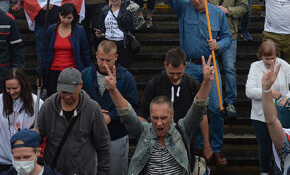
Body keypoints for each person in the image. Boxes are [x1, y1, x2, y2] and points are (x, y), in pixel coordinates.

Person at [161, 0, 232, 167]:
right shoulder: (183, 8)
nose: (196, 1)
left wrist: (219, 45)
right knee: (192, 109)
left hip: (210, 65)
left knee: (216, 108)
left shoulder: (217, 14)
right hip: (190, 66)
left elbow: (228, 37)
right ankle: (198, 146)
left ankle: (216, 148)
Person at [106, 55, 215, 174]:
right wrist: (113, 90)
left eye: (163, 118)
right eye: (154, 118)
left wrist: (206, 82)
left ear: (172, 115)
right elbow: (126, 113)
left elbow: (198, 108)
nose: (158, 123)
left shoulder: (182, 130)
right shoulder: (144, 131)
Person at [180, 0, 248, 119]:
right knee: (211, 70)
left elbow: (244, 6)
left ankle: (230, 101)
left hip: (228, 34)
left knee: (230, 69)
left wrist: (228, 10)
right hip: (207, 36)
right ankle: (204, 100)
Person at [139, 47, 213, 162]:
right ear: (165, 65)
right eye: (171, 73)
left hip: (185, 143)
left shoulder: (192, 84)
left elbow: (202, 115)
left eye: (179, 73)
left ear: (185, 65)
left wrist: (206, 144)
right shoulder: (154, 84)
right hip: (157, 143)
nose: (175, 77)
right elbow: (142, 115)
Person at [37, 67, 111, 175]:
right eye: (63, 91)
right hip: (53, 171)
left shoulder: (92, 109)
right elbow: (36, 137)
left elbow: (103, 146)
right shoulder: (48, 106)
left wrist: (102, 172)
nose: (67, 96)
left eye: (71, 92)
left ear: (80, 85)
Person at [245, 41, 290, 175]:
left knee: (284, 148)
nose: (270, 61)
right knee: (264, 149)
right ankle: (265, 172)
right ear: (260, 56)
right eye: (267, 58)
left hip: (282, 115)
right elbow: (249, 91)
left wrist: (286, 98)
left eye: (272, 58)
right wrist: (269, 93)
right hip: (260, 117)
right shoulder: (255, 67)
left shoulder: (284, 65)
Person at [81, 41, 137, 175]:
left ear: (116, 57)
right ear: (96, 55)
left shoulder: (126, 78)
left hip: (116, 136)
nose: (104, 63)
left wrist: (110, 117)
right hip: (90, 137)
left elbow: (132, 106)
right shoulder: (85, 75)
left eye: (108, 60)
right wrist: (93, 112)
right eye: (101, 59)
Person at [0, 68, 42, 175]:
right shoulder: (0, 100)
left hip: (25, 161)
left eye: (15, 88)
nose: (11, 92)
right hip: (3, 158)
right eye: (8, 88)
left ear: (22, 86)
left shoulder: (37, 102)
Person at [41, 4, 91, 97]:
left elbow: (85, 53)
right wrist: (40, 73)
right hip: (53, 71)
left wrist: (88, 71)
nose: (66, 21)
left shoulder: (79, 30)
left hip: (72, 71)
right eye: (63, 17)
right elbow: (45, 52)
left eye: (69, 18)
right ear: (59, 15)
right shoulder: (51, 29)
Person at [97, 0, 143, 70]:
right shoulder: (104, 10)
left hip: (123, 45)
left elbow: (140, 2)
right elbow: (102, 28)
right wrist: (100, 34)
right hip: (108, 45)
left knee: (123, 73)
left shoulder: (127, 6)